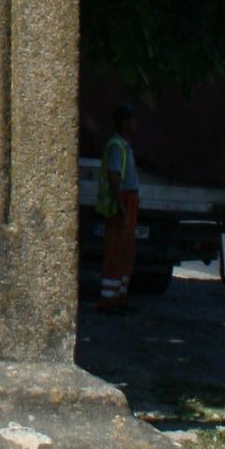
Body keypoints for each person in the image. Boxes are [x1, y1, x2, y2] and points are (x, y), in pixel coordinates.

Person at [97, 102, 142, 309]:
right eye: (133, 120)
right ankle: (108, 299)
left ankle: (119, 297)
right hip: (122, 202)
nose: (136, 124)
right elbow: (114, 176)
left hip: (128, 200)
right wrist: (121, 205)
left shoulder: (123, 145)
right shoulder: (116, 146)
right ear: (124, 123)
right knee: (116, 251)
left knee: (125, 251)